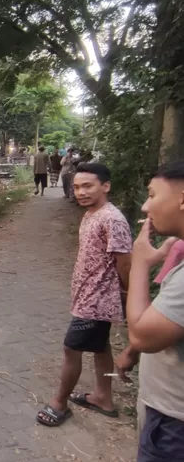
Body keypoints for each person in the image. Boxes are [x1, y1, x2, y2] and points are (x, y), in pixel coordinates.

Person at [36, 163, 132, 427]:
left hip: (96, 301)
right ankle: (103, 397)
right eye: (77, 187)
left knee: (71, 348)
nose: (80, 192)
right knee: (100, 347)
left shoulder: (112, 219)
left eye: (87, 186)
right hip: (86, 295)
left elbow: (125, 261)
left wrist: (126, 292)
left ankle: (59, 403)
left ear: (106, 186)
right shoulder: (92, 213)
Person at [114, 162, 184, 461]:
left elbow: (143, 334)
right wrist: (132, 349)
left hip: (173, 424)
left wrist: (140, 263)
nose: (145, 207)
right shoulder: (179, 249)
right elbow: (163, 315)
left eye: (153, 195)